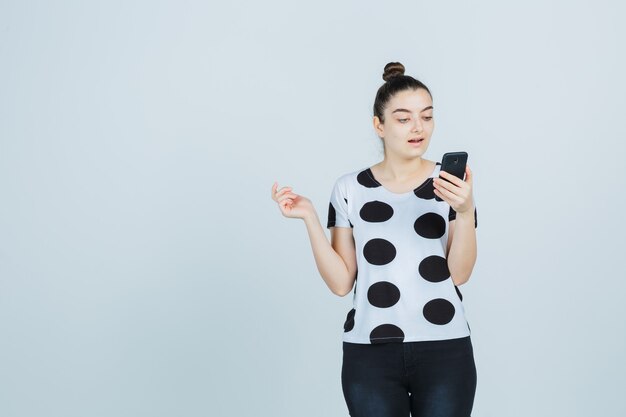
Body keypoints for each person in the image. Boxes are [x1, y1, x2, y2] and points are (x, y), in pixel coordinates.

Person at [271, 61, 478, 417]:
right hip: (370, 353)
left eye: (427, 117)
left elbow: (458, 274)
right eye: (403, 118)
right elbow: (340, 284)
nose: (418, 127)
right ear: (378, 126)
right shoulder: (350, 189)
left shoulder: (452, 184)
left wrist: (465, 209)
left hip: (445, 348)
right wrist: (309, 218)